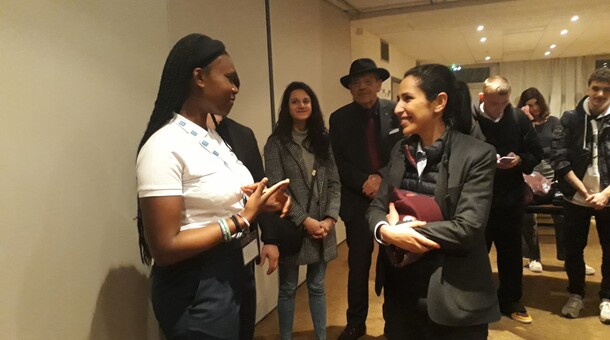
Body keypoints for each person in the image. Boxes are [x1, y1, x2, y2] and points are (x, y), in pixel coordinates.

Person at [135, 33, 290, 339]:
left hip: (234, 269)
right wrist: (242, 218)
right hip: (196, 283)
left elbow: (222, 202)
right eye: (230, 79)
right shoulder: (164, 145)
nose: (235, 89)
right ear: (199, 77)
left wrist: (263, 204)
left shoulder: (212, 137)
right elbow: (164, 248)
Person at [368, 64, 500, 339]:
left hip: (454, 295)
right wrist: (385, 231)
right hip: (401, 296)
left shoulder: (477, 154)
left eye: (407, 98)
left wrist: (403, 233)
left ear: (439, 102)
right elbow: (376, 207)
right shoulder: (399, 150)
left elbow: (468, 227)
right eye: (398, 99)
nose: (396, 109)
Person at [329, 58, 401, 339]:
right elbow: (339, 161)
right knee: (358, 265)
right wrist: (364, 181)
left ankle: (393, 321)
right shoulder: (339, 118)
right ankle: (355, 322)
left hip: (391, 198)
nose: (362, 87)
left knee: (393, 261)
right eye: (356, 83)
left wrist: (380, 177)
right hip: (357, 200)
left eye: (367, 81)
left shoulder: (395, 112)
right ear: (350, 88)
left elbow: (402, 151)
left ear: (379, 84)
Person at [264, 82, 341, 340]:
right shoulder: (276, 144)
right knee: (287, 289)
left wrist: (330, 218)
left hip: (323, 226)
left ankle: (321, 337)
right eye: (294, 101)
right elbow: (277, 192)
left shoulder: (323, 139)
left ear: (313, 105)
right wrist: (305, 220)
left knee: (317, 287)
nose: (301, 105)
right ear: (287, 107)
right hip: (293, 227)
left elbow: (334, 182)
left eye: (305, 100)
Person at [473, 76, 543, 324]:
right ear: (483, 98)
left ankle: (511, 300)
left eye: (504, 103)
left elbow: (537, 153)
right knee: (476, 253)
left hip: (510, 196)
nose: (499, 108)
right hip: (477, 199)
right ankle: (477, 301)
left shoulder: (519, 118)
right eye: (494, 103)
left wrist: (519, 160)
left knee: (511, 252)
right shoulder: (470, 120)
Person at [551, 67, 610, 324]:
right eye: (596, 88)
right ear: (588, 87)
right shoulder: (571, 118)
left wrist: (606, 194)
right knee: (574, 249)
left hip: (608, 197)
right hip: (576, 197)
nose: (600, 94)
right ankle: (576, 293)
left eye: (607, 90)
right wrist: (582, 190)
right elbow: (559, 157)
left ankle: (607, 297)